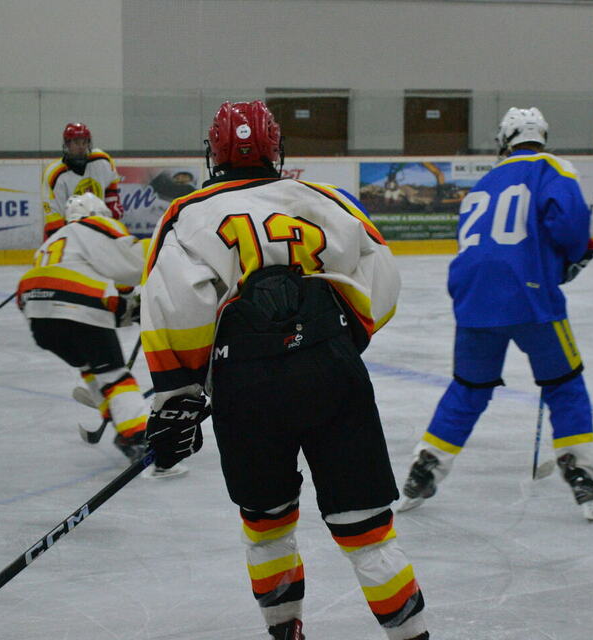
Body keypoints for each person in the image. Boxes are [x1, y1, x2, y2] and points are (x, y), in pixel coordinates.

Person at [140, 101, 430, 640]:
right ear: (276, 150)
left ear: (213, 153)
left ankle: (285, 633)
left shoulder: (187, 215)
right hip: (332, 371)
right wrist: (336, 340)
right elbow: (382, 276)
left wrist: (176, 396)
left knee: (267, 526)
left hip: (247, 387)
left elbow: (177, 305)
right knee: (366, 529)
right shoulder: (324, 198)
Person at [398, 107, 593, 522]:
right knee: (564, 383)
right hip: (531, 297)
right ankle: (585, 480)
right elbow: (570, 223)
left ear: (505, 140)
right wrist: (570, 257)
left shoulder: (483, 182)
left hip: (473, 298)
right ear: (542, 136)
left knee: (469, 387)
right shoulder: (553, 167)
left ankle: (424, 469)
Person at [16, 193, 175, 474]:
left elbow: (106, 281)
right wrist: (166, 253)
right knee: (115, 375)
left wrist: (129, 307)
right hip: (74, 307)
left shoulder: (54, 240)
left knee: (93, 368)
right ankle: (138, 438)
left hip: (38, 316)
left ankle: (119, 419)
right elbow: (129, 262)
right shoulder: (95, 225)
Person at [41, 123, 124, 241]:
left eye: (84, 142)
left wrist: (112, 212)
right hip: (70, 233)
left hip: (98, 229)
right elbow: (54, 219)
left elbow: (111, 187)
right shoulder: (55, 174)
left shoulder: (102, 161)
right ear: (67, 144)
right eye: (76, 142)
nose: (81, 147)